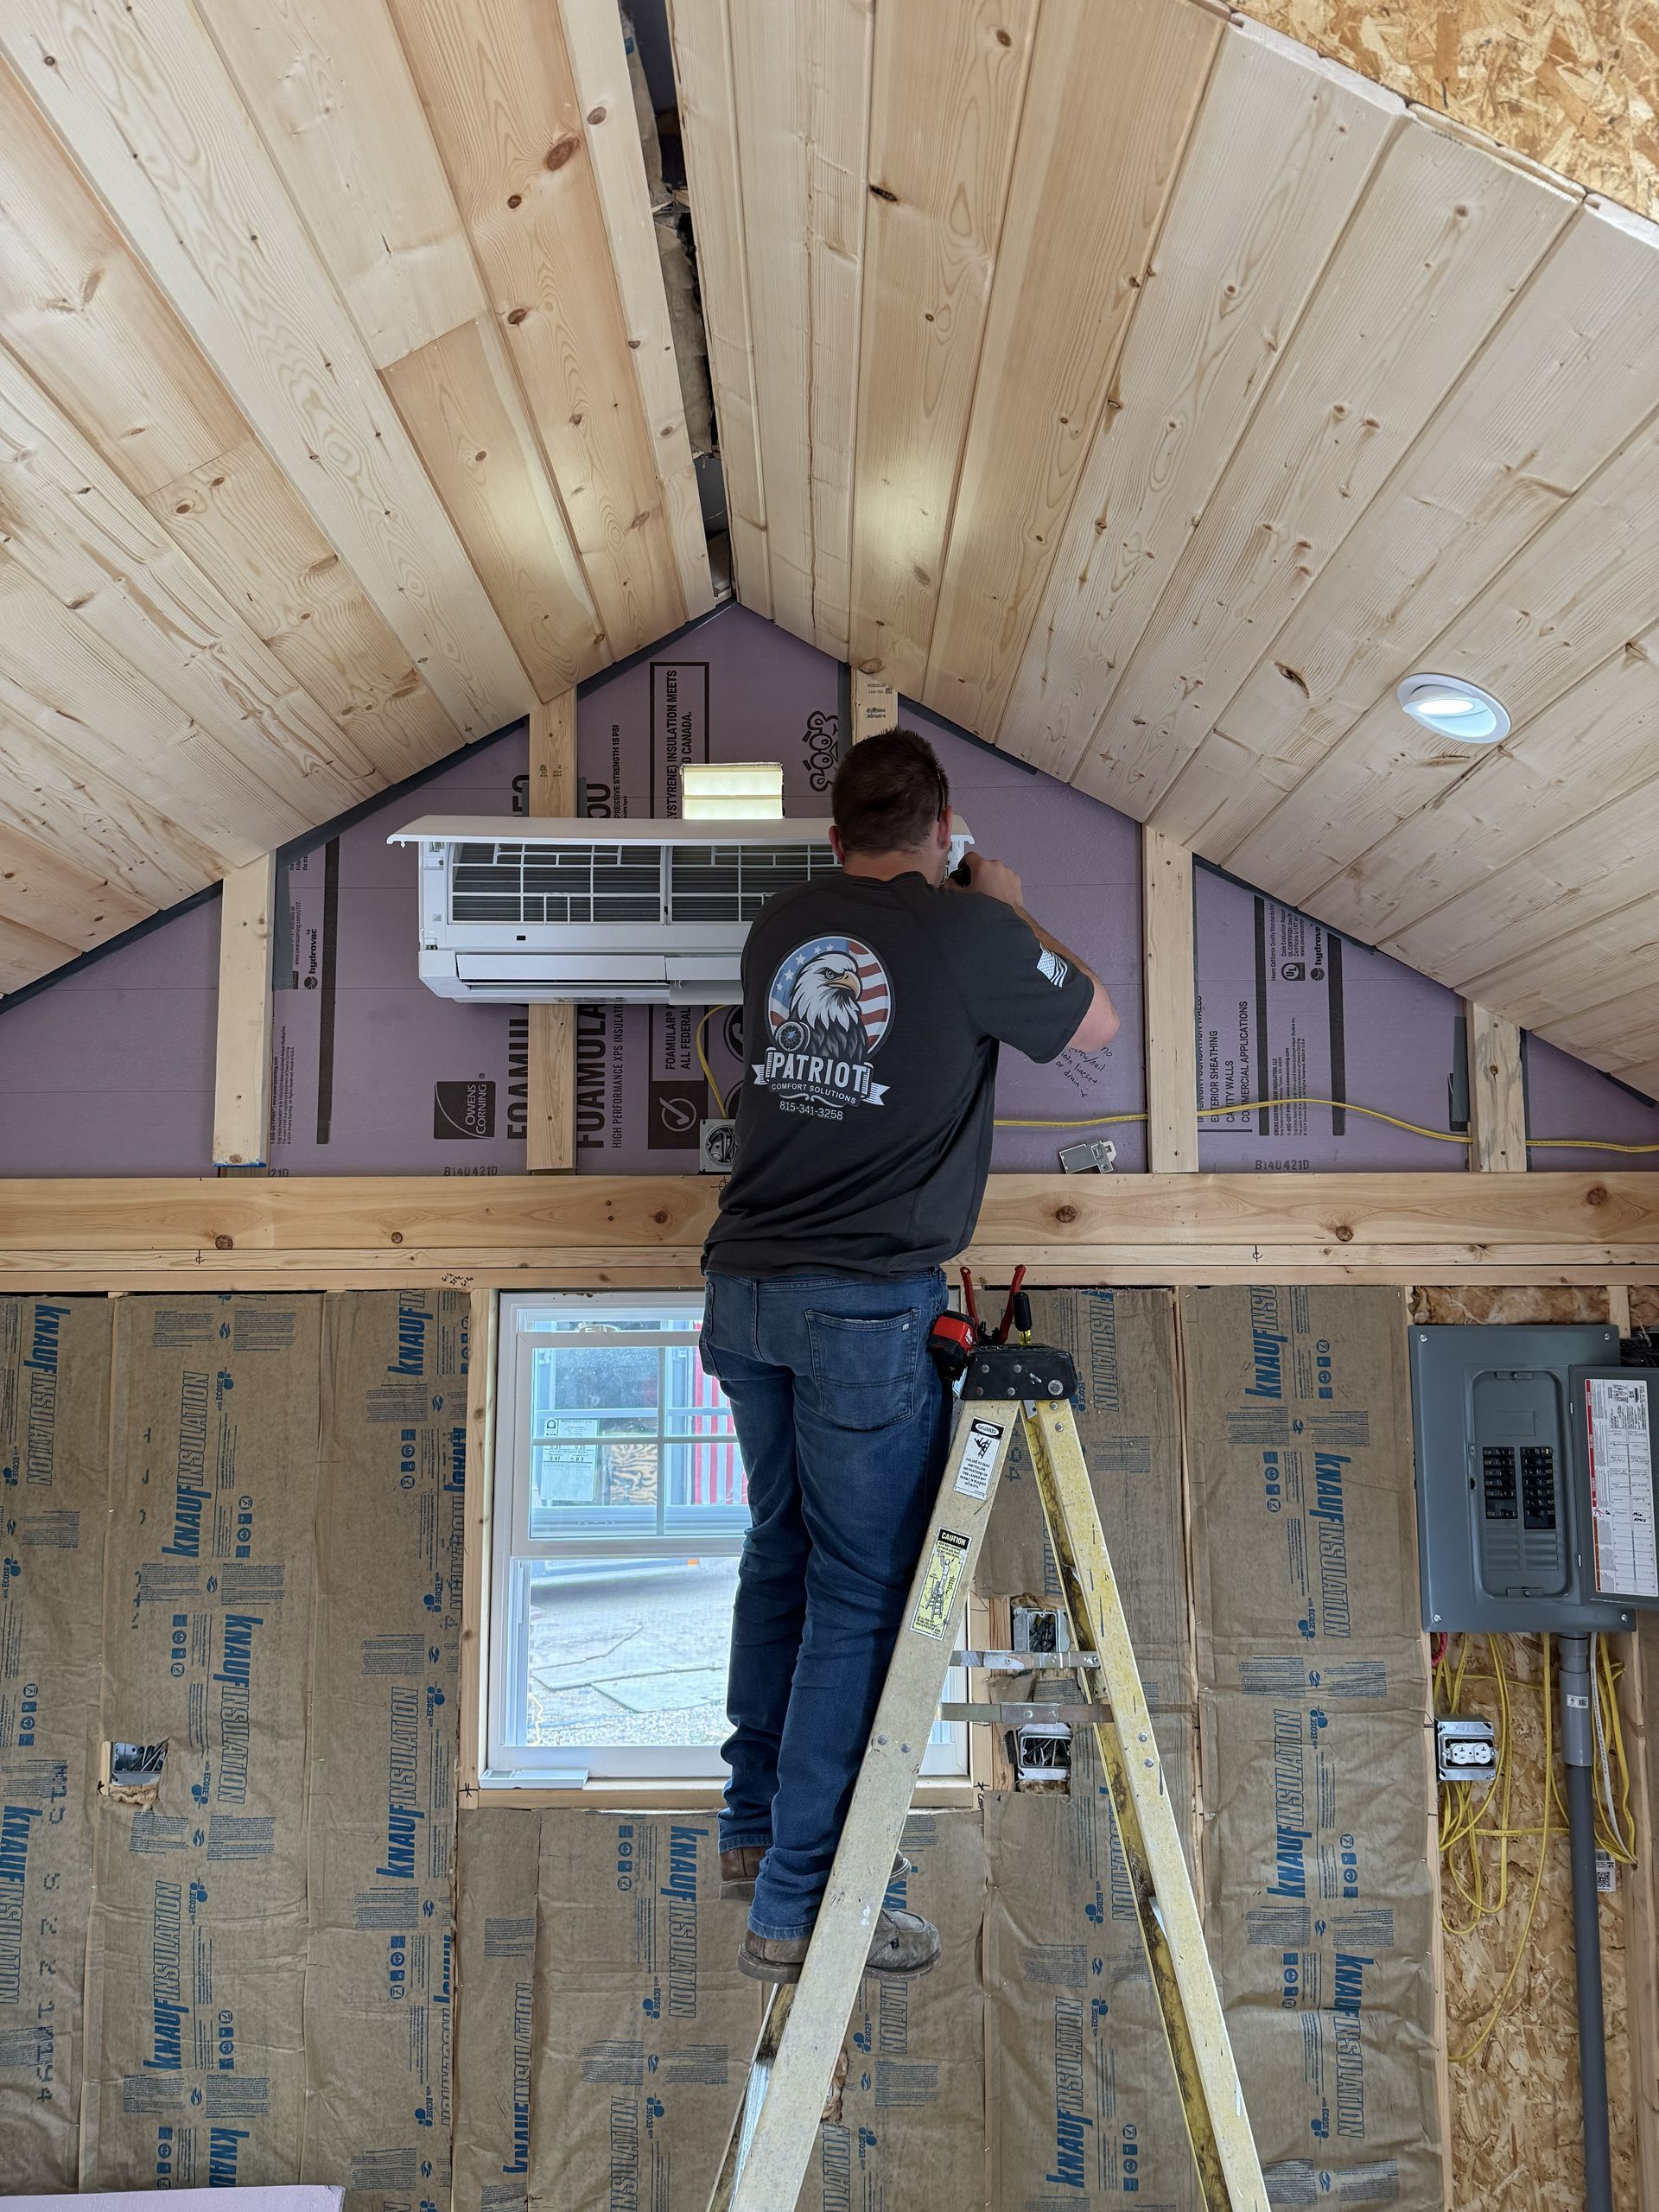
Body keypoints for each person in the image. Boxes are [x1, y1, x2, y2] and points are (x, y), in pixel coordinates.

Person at [699, 729, 1119, 1983]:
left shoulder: (782, 924)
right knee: (859, 1600)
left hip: (744, 1293)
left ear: (833, 841)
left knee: (780, 1551)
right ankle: (803, 1901)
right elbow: (1093, 1024)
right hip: (859, 1310)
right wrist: (1011, 905)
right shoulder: (971, 929)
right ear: (945, 831)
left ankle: (752, 1829)